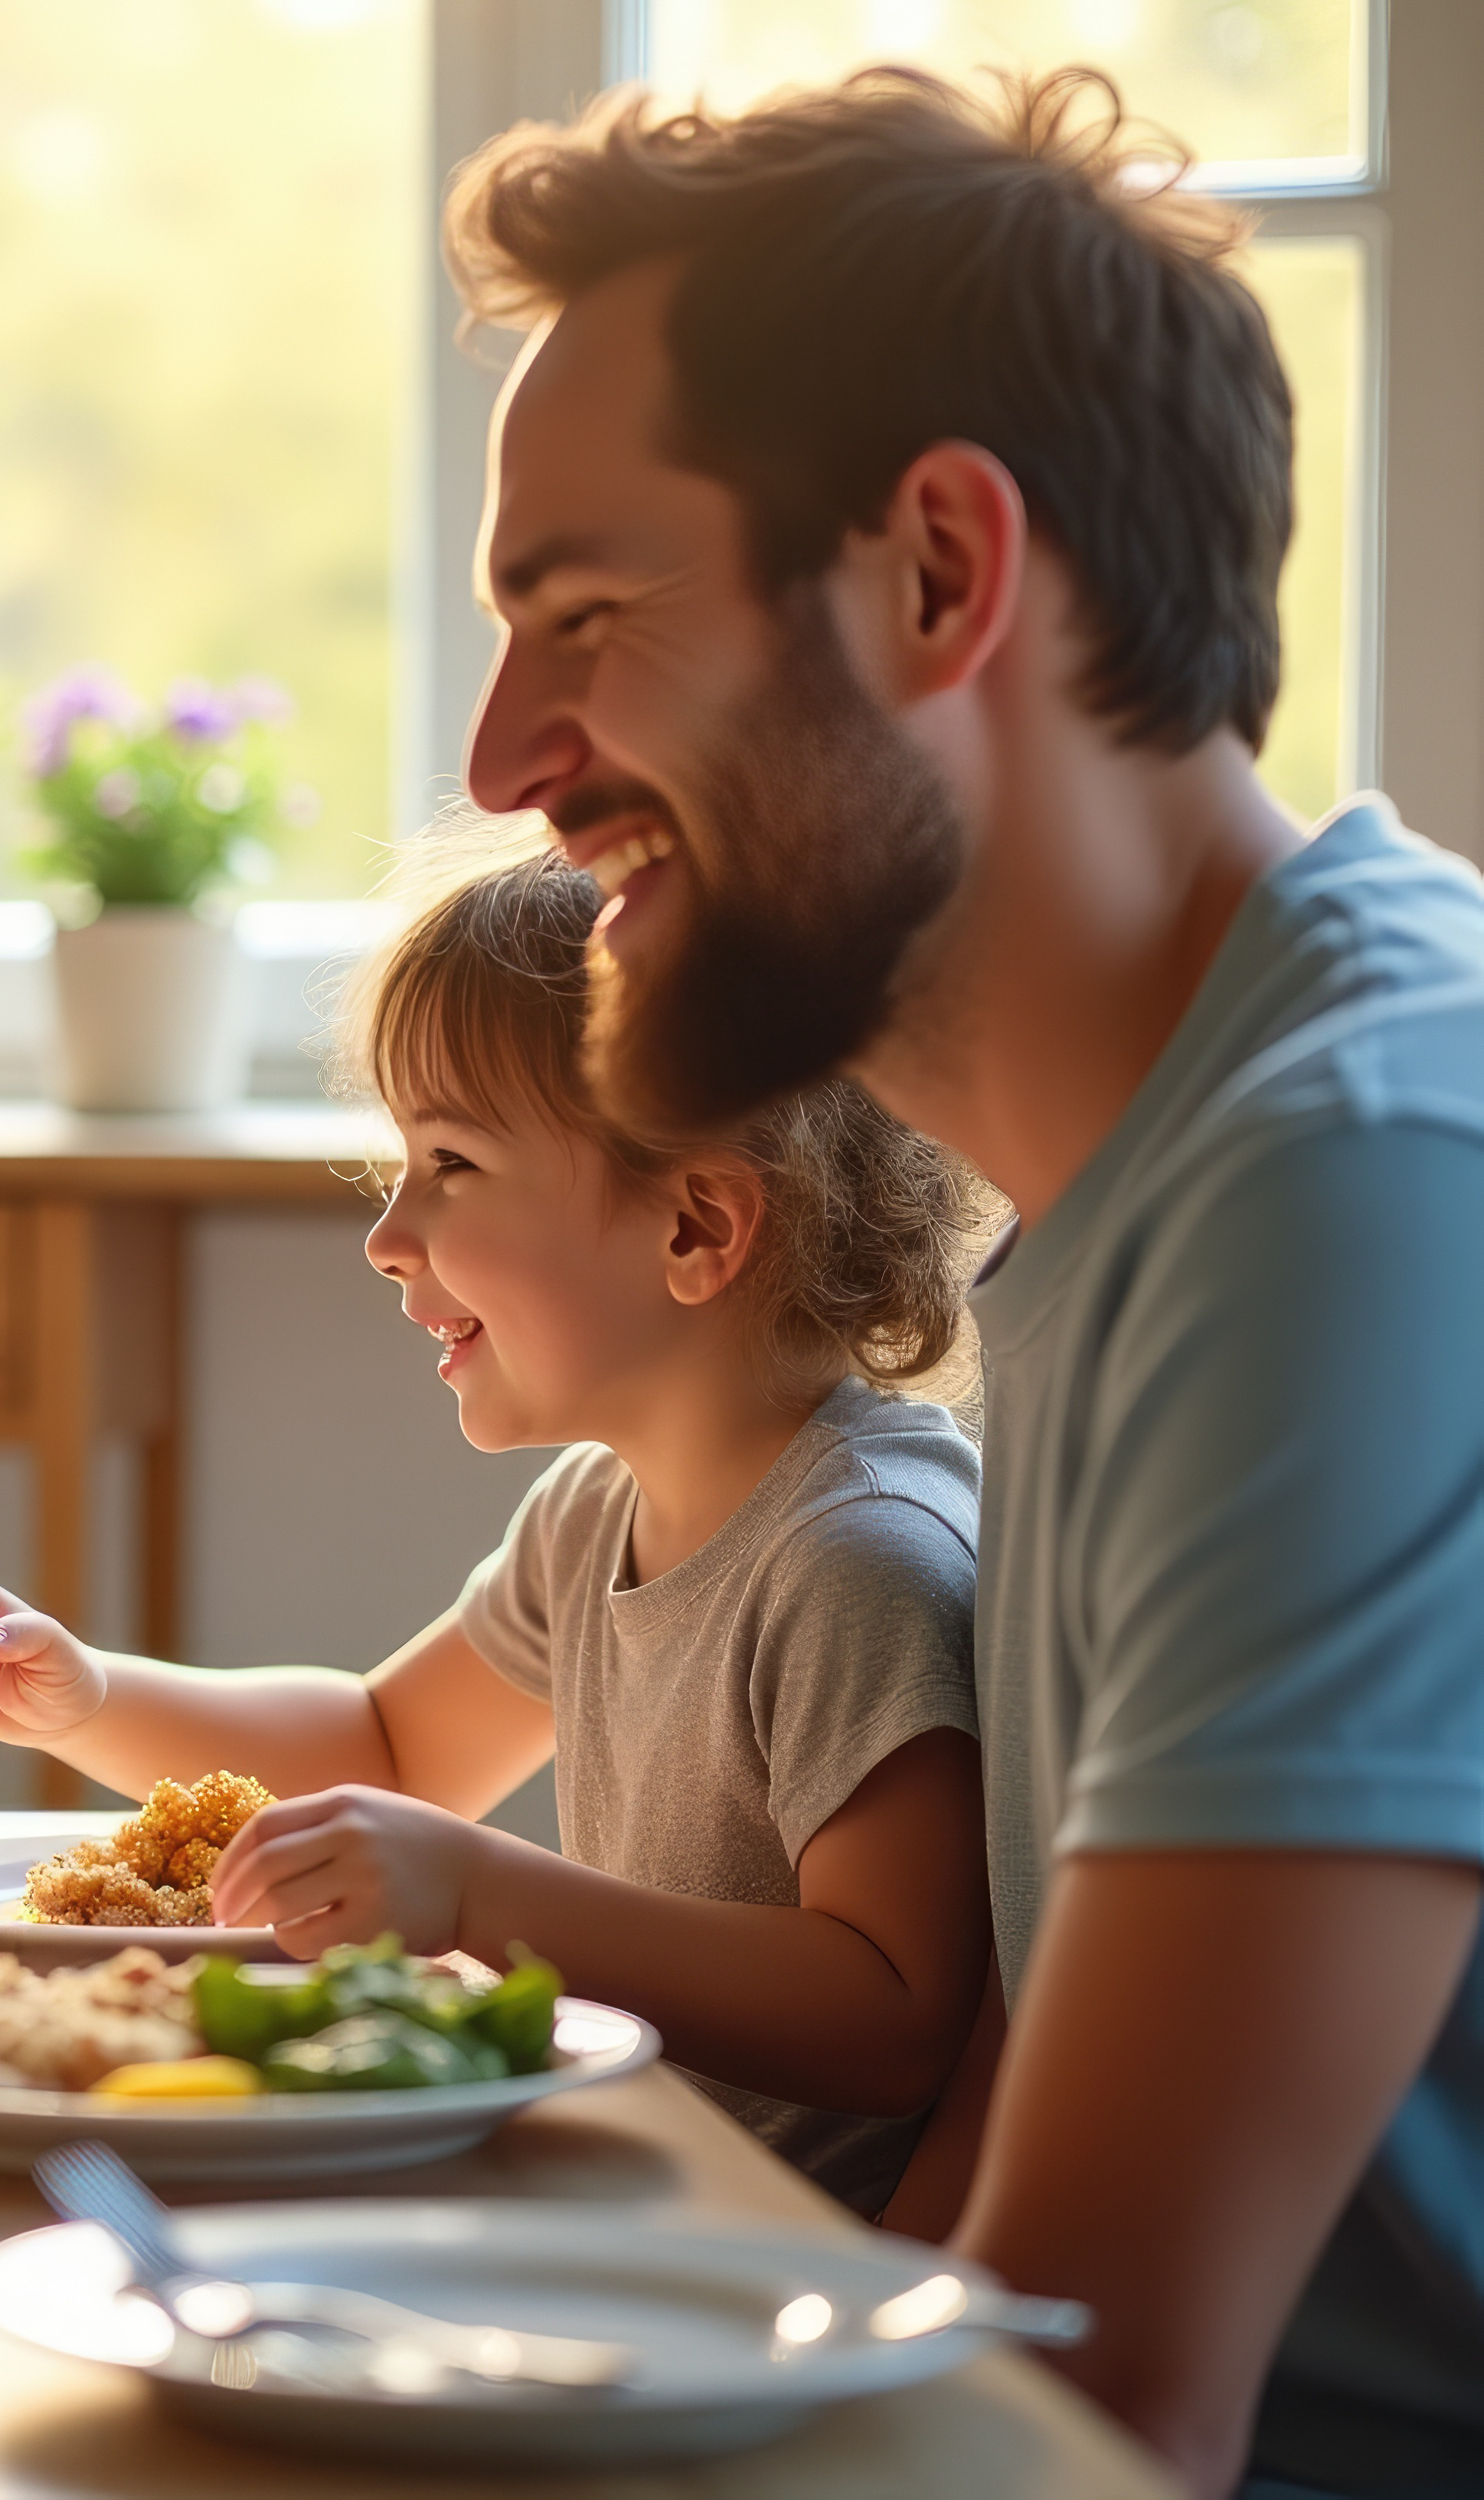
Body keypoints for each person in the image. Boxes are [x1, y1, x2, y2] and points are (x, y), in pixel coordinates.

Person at [444, 67, 1484, 2497]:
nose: (512, 760)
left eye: (585, 617)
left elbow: (1106, 2404)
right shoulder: (1178, 1165)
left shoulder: (1347, 1186)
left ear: (938, 569)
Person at [0, 840, 993, 2223]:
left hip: (751, 2262)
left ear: (700, 1226)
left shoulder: (858, 1559)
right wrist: (88, 1699)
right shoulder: (599, 1509)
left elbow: (891, 2014)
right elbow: (393, 1749)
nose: (387, 1234)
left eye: (453, 1163)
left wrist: (480, 1894)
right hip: (621, 2193)